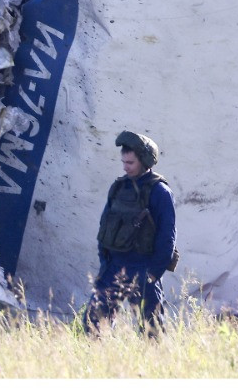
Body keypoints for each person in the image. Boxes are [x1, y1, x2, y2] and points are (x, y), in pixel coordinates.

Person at [85, 131, 176, 336]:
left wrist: (153, 273)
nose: (126, 167)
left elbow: (167, 237)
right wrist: (105, 261)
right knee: (93, 321)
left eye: (131, 163)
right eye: (123, 162)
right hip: (114, 266)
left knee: (151, 330)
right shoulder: (118, 187)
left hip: (144, 267)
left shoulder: (160, 192)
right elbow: (105, 224)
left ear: (144, 161)